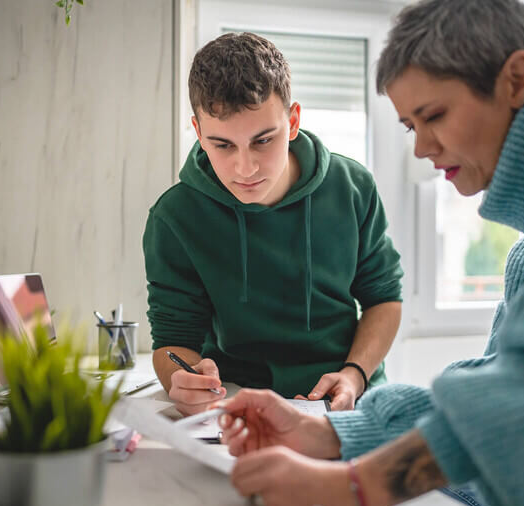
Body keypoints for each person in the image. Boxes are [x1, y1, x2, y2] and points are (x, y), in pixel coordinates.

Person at [214, 1, 524, 506]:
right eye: (411, 126)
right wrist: (331, 433)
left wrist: (352, 490)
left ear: (518, 79)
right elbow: (492, 390)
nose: (422, 149)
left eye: (434, 115)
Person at [143, 32, 403, 415]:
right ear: (198, 132)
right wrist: (181, 380)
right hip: (235, 403)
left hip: (346, 400)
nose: (244, 168)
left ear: (293, 120)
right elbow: (172, 341)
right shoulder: (174, 217)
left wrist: (355, 374)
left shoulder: (353, 187)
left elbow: (384, 298)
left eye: (263, 140)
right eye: (223, 145)